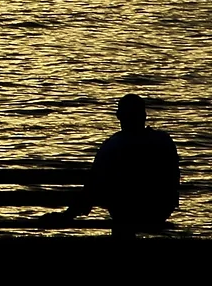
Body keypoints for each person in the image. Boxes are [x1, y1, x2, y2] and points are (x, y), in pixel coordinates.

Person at [43, 94, 179, 234]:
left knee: (111, 189)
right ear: (144, 116)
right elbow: (173, 180)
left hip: (124, 212)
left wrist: (68, 215)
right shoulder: (163, 141)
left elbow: (93, 184)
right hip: (159, 211)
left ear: (119, 116)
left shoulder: (113, 145)